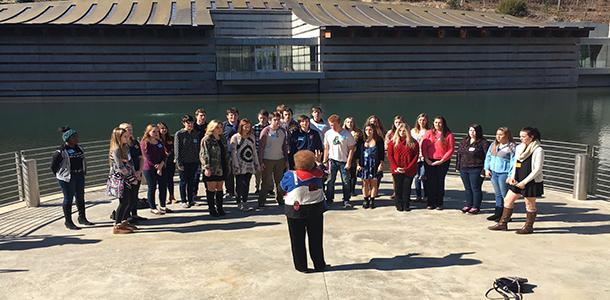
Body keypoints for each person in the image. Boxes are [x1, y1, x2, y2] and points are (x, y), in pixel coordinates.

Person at [489, 127, 544, 234]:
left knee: (530, 204)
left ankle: (528, 227)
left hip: (531, 181)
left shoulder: (538, 150)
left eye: (524, 136)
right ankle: (502, 224)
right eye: (520, 136)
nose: (521, 138)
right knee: (508, 200)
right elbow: (515, 163)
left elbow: (537, 169)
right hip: (517, 179)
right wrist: (512, 176)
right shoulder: (519, 147)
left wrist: (524, 182)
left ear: (531, 137)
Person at [280, 150, 327, 273]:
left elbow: (282, 186)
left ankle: (301, 266)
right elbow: (325, 172)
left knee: (297, 240)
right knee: (316, 238)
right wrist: (318, 162)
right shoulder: (318, 174)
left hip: (295, 211)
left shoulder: (291, 175)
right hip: (315, 209)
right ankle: (319, 264)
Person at [51, 127, 93, 230]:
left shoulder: (79, 148)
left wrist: (83, 172)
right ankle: (68, 222)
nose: (76, 138)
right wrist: (61, 175)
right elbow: (53, 166)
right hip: (67, 178)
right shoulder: (61, 151)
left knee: (80, 197)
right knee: (68, 199)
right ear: (68, 139)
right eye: (74, 137)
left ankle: (82, 218)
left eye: (76, 136)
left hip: (79, 175)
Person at [108, 127, 139, 234]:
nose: (128, 137)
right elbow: (120, 167)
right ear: (118, 137)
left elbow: (130, 163)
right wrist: (131, 178)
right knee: (124, 201)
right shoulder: (116, 149)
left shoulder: (126, 147)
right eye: (125, 136)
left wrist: (134, 174)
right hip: (120, 179)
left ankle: (124, 221)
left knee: (130, 201)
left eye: (127, 135)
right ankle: (117, 225)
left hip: (129, 177)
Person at [421, 116, 455, 210]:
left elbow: (450, 149)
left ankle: (439, 203)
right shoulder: (428, 133)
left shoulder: (448, 135)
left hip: (442, 162)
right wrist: (426, 158)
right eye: (436, 122)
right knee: (430, 182)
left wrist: (442, 160)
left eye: (439, 122)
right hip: (429, 161)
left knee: (439, 182)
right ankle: (430, 202)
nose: (437, 124)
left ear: (443, 123)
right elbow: (423, 146)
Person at [323, 114, 356, 208]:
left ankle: (346, 200)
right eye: (330, 125)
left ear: (339, 123)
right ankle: (329, 199)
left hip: (343, 161)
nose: (332, 127)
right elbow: (326, 147)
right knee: (330, 181)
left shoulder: (347, 134)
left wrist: (349, 162)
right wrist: (325, 161)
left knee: (345, 181)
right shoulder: (328, 133)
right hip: (332, 160)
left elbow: (351, 149)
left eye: (334, 125)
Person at [484, 127, 516, 221]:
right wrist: (486, 169)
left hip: (504, 173)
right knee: (497, 194)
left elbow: (513, 162)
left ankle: (506, 216)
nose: (498, 136)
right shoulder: (494, 145)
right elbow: (488, 157)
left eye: (501, 134)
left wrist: (510, 175)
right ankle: (498, 213)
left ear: (507, 135)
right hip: (494, 172)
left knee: (504, 194)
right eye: (497, 134)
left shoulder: (511, 146)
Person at [456, 124, 490, 214]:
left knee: (475, 188)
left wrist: (484, 169)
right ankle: (468, 204)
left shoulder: (483, 142)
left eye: (474, 130)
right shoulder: (464, 141)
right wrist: (458, 166)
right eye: (470, 130)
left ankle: (476, 206)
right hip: (464, 168)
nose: (472, 132)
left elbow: (488, 157)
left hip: (476, 168)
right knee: (467, 188)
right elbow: (459, 154)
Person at [258, 112, 289, 207]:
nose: (277, 122)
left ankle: (280, 199)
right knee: (266, 181)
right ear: (270, 120)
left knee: (279, 181)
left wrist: (286, 160)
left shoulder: (283, 131)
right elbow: (261, 148)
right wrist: (261, 161)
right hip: (267, 159)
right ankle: (262, 201)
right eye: (275, 120)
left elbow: (284, 146)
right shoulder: (265, 131)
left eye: (278, 120)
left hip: (280, 159)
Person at [387, 123, 420, 212]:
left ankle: (406, 204)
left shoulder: (414, 143)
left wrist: (407, 168)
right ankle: (398, 204)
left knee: (406, 188)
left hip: (409, 170)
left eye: (404, 131)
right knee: (398, 188)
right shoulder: (392, 142)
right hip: (396, 169)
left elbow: (415, 157)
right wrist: (395, 167)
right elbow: (390, 156)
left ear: (408, 132)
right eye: (400, 131)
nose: (402, 133)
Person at [119, 122, 146, 223]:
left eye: (131, 129)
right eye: (127, 129)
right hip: (127, 174)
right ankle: (125, 217)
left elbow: (141, 157)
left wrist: (140, 171)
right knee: (127, 197)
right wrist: (131, 173)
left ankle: (134, 214)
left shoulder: (135, 142)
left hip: (137, 173)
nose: (130, 131)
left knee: (135, 195)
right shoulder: (121, 145)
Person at [201, 120, 230, 217]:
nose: (220, 129)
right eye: (218, 127)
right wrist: (207, 167)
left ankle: (220, 207)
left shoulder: (222, 138)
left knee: (220, 188)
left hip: (221, 166)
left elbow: (225, 152)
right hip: (212, 167)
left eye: (221, 127)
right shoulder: (207, 139)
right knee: (211, 189)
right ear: (212, 128)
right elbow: (204, 154)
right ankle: (212, 208)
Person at [230, 119, 260, 211]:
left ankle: (245, 202)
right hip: (239, 164)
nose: (247, 129)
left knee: (247, 183)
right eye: (245, 127)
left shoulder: (252, 137)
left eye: (249, 127)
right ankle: (239, 202)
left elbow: (254, 151)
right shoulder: (235, 137)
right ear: (241, 127)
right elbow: (233, 152)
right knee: (239, 184)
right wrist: (236, 165)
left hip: (249, 164)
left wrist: (256, 163)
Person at [141, 124, 169, 215]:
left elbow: (164, 154)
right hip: (149, 169)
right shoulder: (145, 143)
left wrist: (161, 164)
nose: (156, 133)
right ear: (148, 132)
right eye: (154, 131)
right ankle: (153, 207)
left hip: (161, 167)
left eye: (157, 131)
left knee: (163, 186)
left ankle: (163, 206)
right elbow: (147, 157)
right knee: (152, 187)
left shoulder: (159, 142)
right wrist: (157, 167)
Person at [356, 124, 385, 209]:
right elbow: (357, 154)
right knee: (365, 183)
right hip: (364, 165)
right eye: (366, 130)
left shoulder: (379, 141)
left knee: (374, 183)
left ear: (374, 130)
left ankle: (372, 199)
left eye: (370, 130)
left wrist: (381, 165)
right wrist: (358, 165)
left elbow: (382, 154)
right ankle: (365, 199)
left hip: (374, 165)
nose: (368, 132)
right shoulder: (361, 140)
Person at [174, 115, 200, 208]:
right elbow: (177, 149)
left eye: (192, 123)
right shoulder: (179, 134)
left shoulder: (195, 133)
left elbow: (198, 149)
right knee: (183, 181)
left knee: (191, 182)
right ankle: (183, 200)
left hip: (194, 161)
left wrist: (199, 161)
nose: (190, 124)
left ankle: (191, 199)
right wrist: (178, 162)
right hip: (183, 162)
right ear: (184, 123)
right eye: (188, 123)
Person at [410, 113, 430, 202]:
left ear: (426, 121)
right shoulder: (413, 131)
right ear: (417, 121)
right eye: (420, 120)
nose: (422, 122)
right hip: (415, 156)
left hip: (424, 156)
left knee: (424, 176)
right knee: (416, 177)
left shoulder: (429, 131)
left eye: (424, 120)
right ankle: (418, 196)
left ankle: (426, 195)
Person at [343, 116, 363, 196]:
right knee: (346, 175)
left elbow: (361, 145)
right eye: (348, 122)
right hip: (345, 155)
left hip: (355, 155)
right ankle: (346, 190)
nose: (349, 124)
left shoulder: (358, 133)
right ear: (345, 123)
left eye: (351, 122)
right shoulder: (342, 132)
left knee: (353, 174)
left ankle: (352, 190)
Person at [223, 107, 240, 200]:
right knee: (228, 173)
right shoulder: (224, 125)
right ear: (227, 116)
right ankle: (230, 191)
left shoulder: (242, 124)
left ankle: (239, 192)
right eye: (231, 115)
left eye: (235, 115)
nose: (233, 117)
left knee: (239, 173)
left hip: (240, 153)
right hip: (228, 153)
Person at [158, 122, 176, 204]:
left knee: (170, 179)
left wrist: (170, 153)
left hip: (170, 161)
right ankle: (163, 198)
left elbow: (174, 148)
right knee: (163, 181)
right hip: (161, 162)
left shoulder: (171, 138)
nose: (164, 130)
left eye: (165, 128)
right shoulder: (157, 139)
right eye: (162, 128)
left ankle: (171, 196)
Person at [193, 108, 209, 201]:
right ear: (196, 116)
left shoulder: (208, 126)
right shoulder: (193, 126)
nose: (202, 117)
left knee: (207, 175)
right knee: (195, 176)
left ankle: (209, 192)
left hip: (206, 155)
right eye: (200, 115)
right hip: (195, 155)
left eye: (204, 116)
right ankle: (194, 193)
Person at [253, 109, 269, 194]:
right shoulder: (255, 128)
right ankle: (257, 187)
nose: (262, 120)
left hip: (268, 151)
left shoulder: (270, 127)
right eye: (260, 118)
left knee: (267, 171)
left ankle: (268, 188)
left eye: (264, 118)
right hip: (257, 152)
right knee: (258, 172)